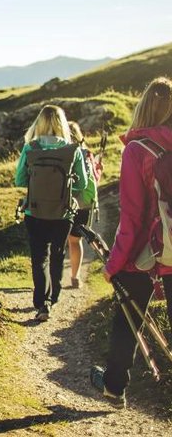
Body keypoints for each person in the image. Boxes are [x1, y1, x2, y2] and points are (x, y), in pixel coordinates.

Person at [91, 77, 172, 408]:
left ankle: (114, 387)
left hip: (149, 253)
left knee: (127, 320)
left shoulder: (138, 150)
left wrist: (113, 266)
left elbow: (134, 218)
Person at [15, 105, 88, 321]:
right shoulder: (72, 150)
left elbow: (19, 180)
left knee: (39, 258)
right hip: (62, 214)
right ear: (62, 123)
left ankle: (42, 304)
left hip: (34, 212)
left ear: (40, 123)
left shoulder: (30, 148)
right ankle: (53, 297)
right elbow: (83, 183)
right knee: (57, 254)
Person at [66, 122, 101, 289]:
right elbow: (94, 180)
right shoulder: (87, 153)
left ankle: (52, 279)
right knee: (75, 240)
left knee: (57, 241)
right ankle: (75, 277)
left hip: (64, 202)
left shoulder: (63, 152)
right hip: (84, 203)